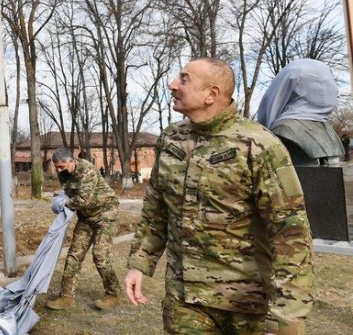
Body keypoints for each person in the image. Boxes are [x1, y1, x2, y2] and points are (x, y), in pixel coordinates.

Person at [125, 58, 313, 335]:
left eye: (184, 79)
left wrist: (286, 319)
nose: (173, 85)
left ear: (211, 94)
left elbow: (290, 233)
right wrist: (139, 263)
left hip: (248, 304)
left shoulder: (259, 145)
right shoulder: (171, 139)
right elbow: (156, 210)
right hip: (185, 301)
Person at [46, 147, 122, 311]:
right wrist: (62, 199)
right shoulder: (63, 174)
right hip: (87, 217)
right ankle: (66, 297)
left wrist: (64, 203)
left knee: (100, 254)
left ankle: (113, 293)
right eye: (56, 167)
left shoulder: (87, 170)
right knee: (74, 254)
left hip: (106, 213)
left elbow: (82, 200)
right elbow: (69, 194)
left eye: (61, 166)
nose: (58, 170)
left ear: (71, 161)